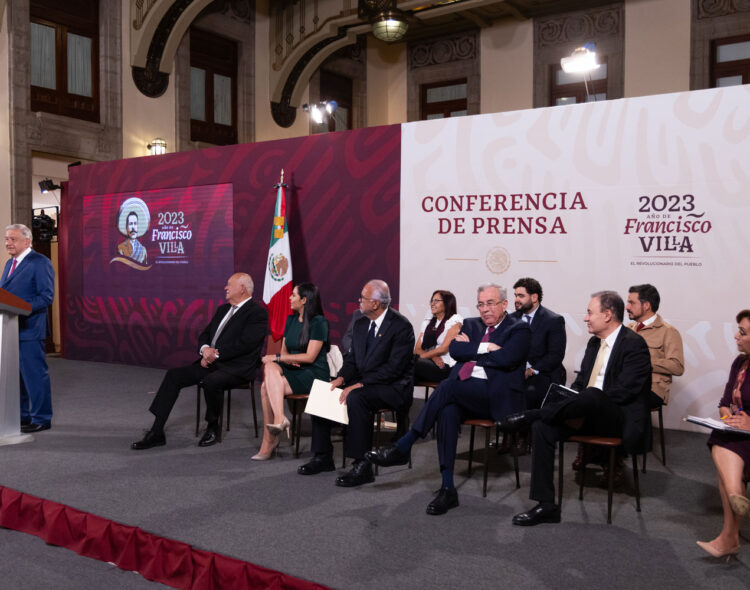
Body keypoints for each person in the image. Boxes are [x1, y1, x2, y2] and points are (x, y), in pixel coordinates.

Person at [367, 284, 531, 515]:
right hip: (465, 392)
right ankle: (447, 488)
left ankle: (405, 444)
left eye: (491, 303)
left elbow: (507, 358)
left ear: (504, 305)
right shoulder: (472, 324)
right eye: (481, 304)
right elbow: (455, 351)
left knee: (448, 386)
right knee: (447, 410)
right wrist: (485, 347)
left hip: (496, 396)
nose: (485, 309)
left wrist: (473, 350)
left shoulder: (519, 329)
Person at [499, 290, 651, 526]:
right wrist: (570, 397)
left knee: (592, 395)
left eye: (590, 312)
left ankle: (528, 416)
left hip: (616, 418)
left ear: (608, 315)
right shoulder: (594, 343)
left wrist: (587, 398)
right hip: (585, 411)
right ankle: (546, 505)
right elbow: (581, 383)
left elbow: (625, 391)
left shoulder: (634, 345)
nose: (586, 318)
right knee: (543, 426)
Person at [297, 279, 414, 487]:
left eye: (363, 298)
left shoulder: (401, 326)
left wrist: (360, 384)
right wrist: (341, 378)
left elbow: (394, 369)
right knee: (325, 390)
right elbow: (352, 359)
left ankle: (362, 465)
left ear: (376, 303)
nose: (358, 301)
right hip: (365, 381)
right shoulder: (360, 323)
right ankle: (323, 456)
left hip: (393, 386)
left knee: (357, 398)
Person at [131, 273, 267, 449]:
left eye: (229, 285)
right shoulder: (223, 309)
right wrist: (205, 351)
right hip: (210, 363)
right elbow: (205, 334)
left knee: (211, 382)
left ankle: (212, 427)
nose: (225, 288)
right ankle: (157, 431)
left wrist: (215, 355)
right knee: (174, 375)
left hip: (236, 368)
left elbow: (246, 344)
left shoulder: (257, 313)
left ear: (242, 288)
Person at [254, 282, 330, 460]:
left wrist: (282, 359)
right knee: (270, 367)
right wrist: (285, 359)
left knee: (265, 387)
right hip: (293, 368)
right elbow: (285, 351)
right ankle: (280, 419)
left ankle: (270, 439)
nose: (289, 298)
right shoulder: (291, 320)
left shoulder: (319, 322)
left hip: (314, 373)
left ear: (304, 300)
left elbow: (310, 357)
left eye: (293, 295)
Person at [697, 310, 750, 558]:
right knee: (723, 438)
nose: (736, 336)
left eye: (743, 332)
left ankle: (729, 536)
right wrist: (726, 414)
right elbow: (725, 401)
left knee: (724, 447)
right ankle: (735, 496)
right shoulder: (739, 363)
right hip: (737, 432)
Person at [2, 224, 55, 433]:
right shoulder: (9, 264)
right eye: (6, 239)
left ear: (27, 241)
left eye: (13, 239)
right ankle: (23, 416)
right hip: (10, 330)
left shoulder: (40, 263)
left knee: (34, 376)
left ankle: (41, 418)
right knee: (17, 379)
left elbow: (46, 297)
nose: (8, 243)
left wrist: (21, 308)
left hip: (30, 330)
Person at [506, 277, 566, 455]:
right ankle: (507, 433)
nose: (516, 299)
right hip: (517, 370)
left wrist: (532, 370)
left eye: (521, 295)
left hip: (543, 372)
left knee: (529, 391)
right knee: (501, 386)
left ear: (534, 297)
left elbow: (555, 355)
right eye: (515, 295)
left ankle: (523, 436)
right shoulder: (510, 319)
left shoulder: (553, 320)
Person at [626, 284, 684, 407]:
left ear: (646, 305)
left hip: (652, 389)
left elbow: (677, 367)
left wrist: (643, 362)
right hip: (625, 383)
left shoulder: (668, 331)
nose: (627, 307)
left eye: (632, 303)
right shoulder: (627, 330)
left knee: (620, 400)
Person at [414, 290, 462, 383]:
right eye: (432, 301)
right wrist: (433, 357)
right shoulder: (427, 323)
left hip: (444, 365)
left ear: (447, 303)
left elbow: (444, 349)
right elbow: (417, 349)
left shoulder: (455, 321)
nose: (432, 304)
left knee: (410, 363)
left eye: (436, 301)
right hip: (429, 362)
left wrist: (421, 356)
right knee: (406, 371)